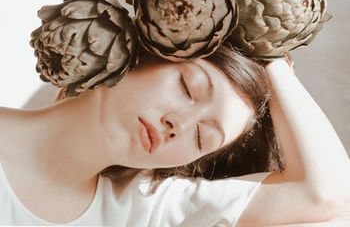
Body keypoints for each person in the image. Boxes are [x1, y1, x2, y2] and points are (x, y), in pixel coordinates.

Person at [0, 43, 349, 226]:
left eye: (201, 138)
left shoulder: (146, 207)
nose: (178, 125)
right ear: (141, 52)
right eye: (187, 86)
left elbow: (325, 194)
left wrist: (272, 59)